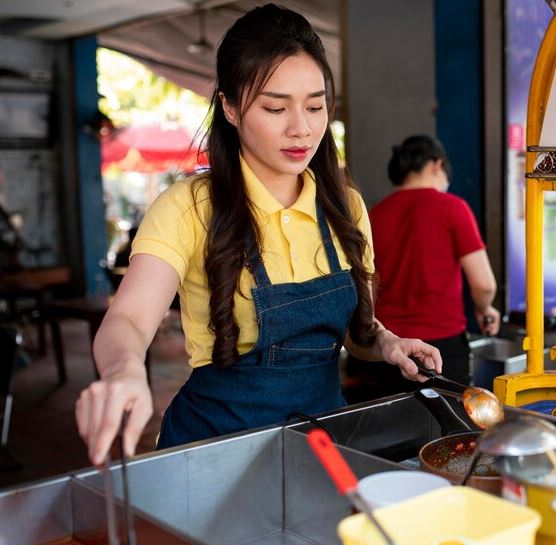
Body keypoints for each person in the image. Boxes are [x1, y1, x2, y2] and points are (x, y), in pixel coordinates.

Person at [75, 4, 441, 465]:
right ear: (229, 106)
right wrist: (124, 372)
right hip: (213, 448)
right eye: (274, 107)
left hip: (321, 444)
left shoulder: (344, 207)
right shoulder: (190, 207)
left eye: (315, 105)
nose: (301, 128)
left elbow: (355, 336)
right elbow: (127, 320)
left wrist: (386, 343)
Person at [344, 135, 499, 401]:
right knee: (449, 436)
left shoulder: (374, 214)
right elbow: (484, 284)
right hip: (441, 351)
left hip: (383, 350)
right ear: (437, 166)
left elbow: (363, 290)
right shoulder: (453, 208)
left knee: (388, 436)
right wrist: (485, 308)